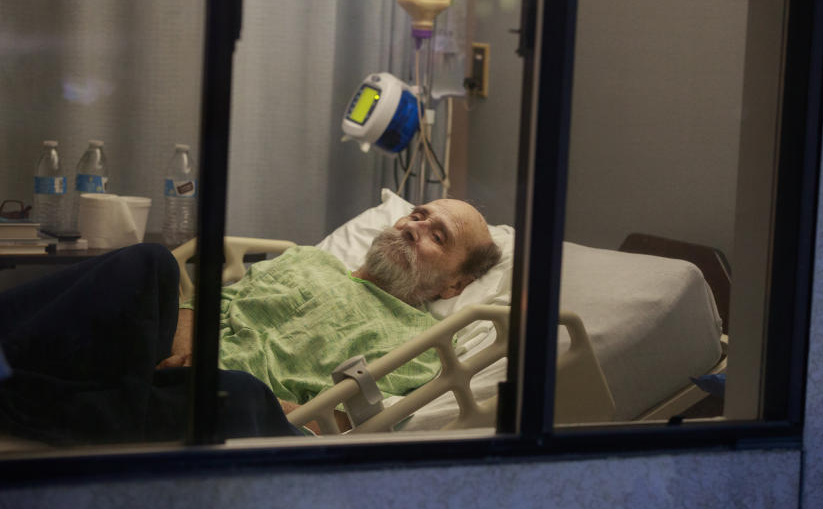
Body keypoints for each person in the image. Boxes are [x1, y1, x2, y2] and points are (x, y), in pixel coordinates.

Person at [0, 198, 501, 445]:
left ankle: (20, 397)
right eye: (416, 215)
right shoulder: (307, 259)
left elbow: (349, 421)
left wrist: (282, 405)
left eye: (439, 236)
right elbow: (221, 299)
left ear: (453, 287)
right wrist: (188, 323)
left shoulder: (418, 342)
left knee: (238, 396)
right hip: (165, 353)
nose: (416, 228)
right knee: (150, 263)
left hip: (226, 404)